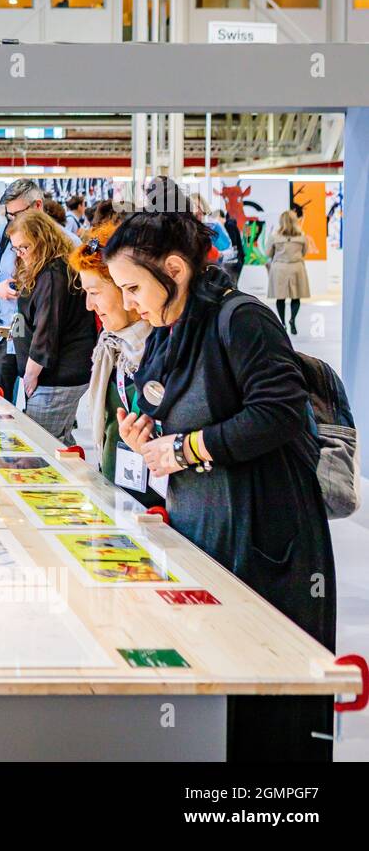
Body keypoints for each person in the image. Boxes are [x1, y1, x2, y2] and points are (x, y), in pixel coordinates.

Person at [106, 211, 335, 761]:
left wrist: (187, 449)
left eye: (134, 287)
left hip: (267, 541)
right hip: (204, 532)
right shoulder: (170, 329)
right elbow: (158, 405)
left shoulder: (242, 319)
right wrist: (145, 436)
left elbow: (278, 410)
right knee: (215, 701)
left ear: (176, 269)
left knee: (268, 707)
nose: (130, 302)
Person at [68, 219, 158, 503]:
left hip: (156, 505)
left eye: (94, 293)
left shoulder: (163, 348)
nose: (89, 306)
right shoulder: (111, 346)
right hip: (116, 488)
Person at [6, 211, 96, 445]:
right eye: (15, 249)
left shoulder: (53, 274)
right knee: (58, 443)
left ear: (42, 240)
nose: (21, 254)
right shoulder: (50, 268)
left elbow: (46, 329)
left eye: (24, 247)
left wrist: (30, 375)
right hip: (57, 373)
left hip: (55, 376)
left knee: (41, 446)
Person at [0, 178, 46, 401]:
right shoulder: (5, 236)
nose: (13, 221)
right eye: (10, 216)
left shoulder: (63, 241)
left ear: (37, 206)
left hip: (42, 342)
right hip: (5, 337)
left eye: (18, 214)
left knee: (39, 419)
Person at [266, 209, 311, 336]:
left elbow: (268, 253)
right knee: (296, 297)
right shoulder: (302, 236)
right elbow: (305, 252)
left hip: (280, 268)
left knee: (280, 298)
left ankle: (283, 323)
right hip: (297, 268)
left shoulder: (274, 237)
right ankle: (292, 320)